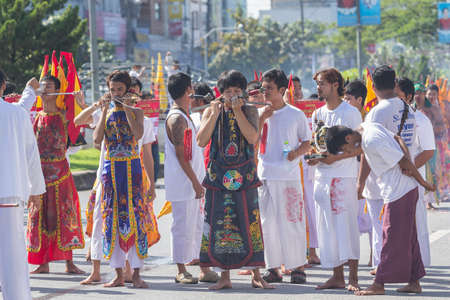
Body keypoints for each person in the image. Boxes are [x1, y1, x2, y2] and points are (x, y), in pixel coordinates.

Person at [325, 123, 434, 296]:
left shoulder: (371, 140)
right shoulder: (367, 128)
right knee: (409, 238)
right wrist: (360, 184)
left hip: (400, 191)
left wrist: (423, 182)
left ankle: (379, 283)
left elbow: (403, 161)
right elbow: (398, 139)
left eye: (344, 150)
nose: (347, 154)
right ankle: (414, 281)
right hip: (400, 189)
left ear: (348, 138)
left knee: (389, 237)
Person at [197, 70, 271, 290]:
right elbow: (201, 140)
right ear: (221, 93)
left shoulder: (249, 110)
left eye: (236, 91)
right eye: (228, 91)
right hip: (218, 177)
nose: (232, 95)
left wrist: (237, 112)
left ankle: (257, 274)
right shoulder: (212, 109)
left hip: (245, 175)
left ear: (244, 92)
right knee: (220, 221)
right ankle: (224, 276)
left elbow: (252, 138)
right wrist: (213, 114)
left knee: (250, 220)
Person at [307, 68, 362, 291]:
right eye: (317, 84)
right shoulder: (317, 114)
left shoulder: (350, 112)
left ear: (335, 84)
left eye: (322, 83)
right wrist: (314, 156)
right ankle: (336, 276)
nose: (318, 88)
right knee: (327, 229)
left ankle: (354, 279)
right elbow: (314, 143)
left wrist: (335, 158)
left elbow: (360, 147)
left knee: (346, 227)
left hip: (343, 177)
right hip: (321, 176)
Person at [93, 70, 148, 288]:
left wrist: (126, 108)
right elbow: (97, 140)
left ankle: (136, 273)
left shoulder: (136, 111)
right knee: (110, 216)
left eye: (120, 89)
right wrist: (104, 108)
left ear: (127, 90)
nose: (115, 92)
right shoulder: (105, 111)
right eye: (112, 89)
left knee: (136, 216)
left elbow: (137, 135)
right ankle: (117, 273)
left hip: (132, 168)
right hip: (111, 169)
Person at [27, 75, 85, 275]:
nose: (45, 90)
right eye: (42, 87)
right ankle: (42, 263)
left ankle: (69, 263)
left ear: (58, 91)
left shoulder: (66, 116)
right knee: (40, 217)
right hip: (40, 175)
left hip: (61, 176)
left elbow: (82, 128)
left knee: (65, 216)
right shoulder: (35, 118)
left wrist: (82, 104)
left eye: (49, 86)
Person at [258, 69, 311, 284]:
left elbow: (307, 143)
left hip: (288, 176)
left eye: (269, 89)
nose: (265, 93)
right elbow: (252, 139)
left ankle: (298, 266)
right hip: (265, 175)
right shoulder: (260, 113)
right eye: (263, 89)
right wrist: (261, 118)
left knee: (292, 220)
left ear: (282, 90)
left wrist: (295, 154)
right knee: (268, 223)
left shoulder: (295, 114)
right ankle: (273, 268)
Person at [164, 73, 218, 284]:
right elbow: (181, 155)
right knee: (182, 226)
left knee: (198, 226)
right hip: (183, 183)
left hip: (194, 181)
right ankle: (181, 269)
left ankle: (204, 268)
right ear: (188, 90)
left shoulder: (184, 115)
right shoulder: (176, 118)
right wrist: (195, 182)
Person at [0, 69, 46, 300]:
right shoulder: (16, 114)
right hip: (8, 194)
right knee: (13, 259)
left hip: (10, 194)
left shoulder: (16, 113)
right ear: (3, 86)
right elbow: (31, 154)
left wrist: (30, 90)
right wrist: (36, 190)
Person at [396, 78, 434, 268]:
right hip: (394, 180)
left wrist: (409, 168)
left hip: (413, 179)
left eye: (397, 95)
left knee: (416, 222)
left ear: (408, 97)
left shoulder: (420, 120)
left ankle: (420, 265)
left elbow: (428, 151)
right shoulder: (390, 118)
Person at [344, 80, 374, 267]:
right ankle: (350, 255)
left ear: (360, 99)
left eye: (348, 98)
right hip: (349, 170)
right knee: (349, 214)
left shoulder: (368, 120)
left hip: (365, 171)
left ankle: (373, 255)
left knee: (369, 215)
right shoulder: (345, 117)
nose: (345, 101)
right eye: (344, 98)